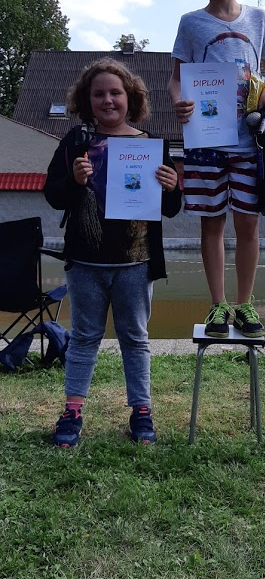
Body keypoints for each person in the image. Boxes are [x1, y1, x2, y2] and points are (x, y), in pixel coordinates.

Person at [44, 58, 181, 448]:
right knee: (84, 337)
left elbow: (171, 208)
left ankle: (142, 411)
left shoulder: (151, 144)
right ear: (87, 100)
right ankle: (72, 411)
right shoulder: (75, 141)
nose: (107, 100)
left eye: (115, 93)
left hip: (135, 262)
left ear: (130, 97)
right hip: (86, 262)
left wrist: (172, 186)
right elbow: (54, 195)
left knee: (135, 338)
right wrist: (74, 181)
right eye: (99, 93)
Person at [168, 0, 265, 338]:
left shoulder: (259, 18)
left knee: (248, 224)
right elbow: (176, 80)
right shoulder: (191, 23)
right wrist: (179, 103)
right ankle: (218, 304)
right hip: (205, 140)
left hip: (249, 141)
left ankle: (245, 303)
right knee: (211, 224)